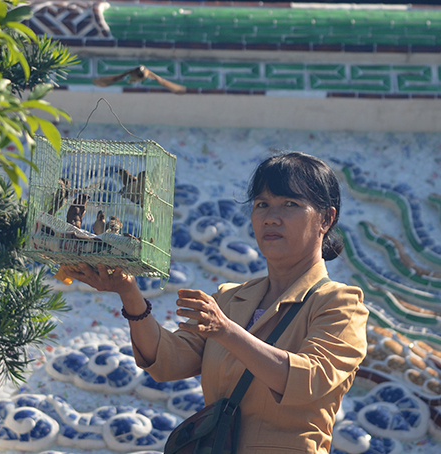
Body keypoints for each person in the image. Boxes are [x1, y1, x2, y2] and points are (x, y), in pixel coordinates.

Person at [62, 152, 369, 453]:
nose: (271, 217)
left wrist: (226, 331)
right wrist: (129, 292)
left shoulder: (340, 304)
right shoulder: (230, 298)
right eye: (262, 204)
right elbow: (167, 361)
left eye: (290, 204)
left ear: (325, 219)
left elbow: (308, 380)